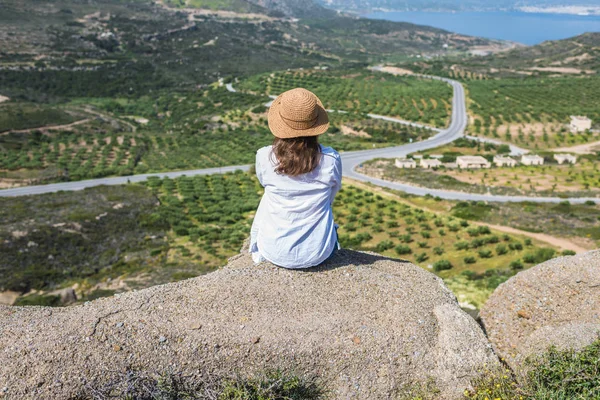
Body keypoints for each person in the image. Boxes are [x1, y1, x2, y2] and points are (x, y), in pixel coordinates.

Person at [249, 88, 342, 269]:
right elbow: (332, 194)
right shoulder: (331, 159)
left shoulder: (263, 156)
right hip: (319, 253)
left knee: (268, 195)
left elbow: (263, 182)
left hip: (273, 251)